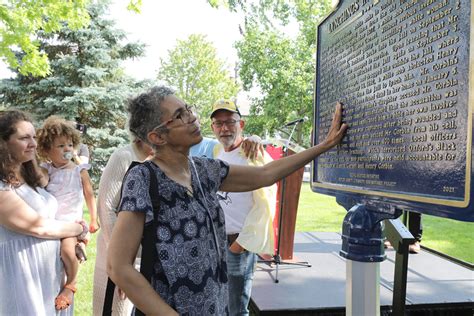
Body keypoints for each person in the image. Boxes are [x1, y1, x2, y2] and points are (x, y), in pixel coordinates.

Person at [106, 85, 347, 315]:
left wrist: (324, 146)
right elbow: (118, 266)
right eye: (179, 115)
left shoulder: (203, 169)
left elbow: (265, 174)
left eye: (188, 109)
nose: (192, 117)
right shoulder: (143, 179)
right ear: (157, 137)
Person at [0, 110, 89, 315]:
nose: (33, 143)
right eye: (24, 138)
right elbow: (38, 226)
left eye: (33, 136)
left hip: (49, 274)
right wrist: (80, 228)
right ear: (3, 143)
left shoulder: (31, 175)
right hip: (22, 275)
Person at [210, 99, 277, 315]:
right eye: (218, 123)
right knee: (219, 304)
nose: (225, 128)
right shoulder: (216, 152)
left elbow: (266, 205)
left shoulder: (253, 154)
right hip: (216, 242)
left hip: (237, 244)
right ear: (212, 127)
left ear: (242, 124)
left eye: (230, 121)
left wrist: (240, 245)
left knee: (237, 309)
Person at [36, 116, 99, 310]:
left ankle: (71, 284)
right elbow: (40, 182)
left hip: (71, 223)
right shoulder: (47, 169)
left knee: (66, 250)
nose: (67, 150)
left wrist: (93, 219)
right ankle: (79, 247)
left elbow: (90, 194)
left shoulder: (79, 170)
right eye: (60, 146)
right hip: (52, 222)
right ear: (47, 150)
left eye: (70, 145)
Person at [92, 135, 153, 315]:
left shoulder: (163, 158)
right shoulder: (123, 156)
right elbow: (106, 207)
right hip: (120, 259)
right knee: (117, 311)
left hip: (149, 261)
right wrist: (122, 265)